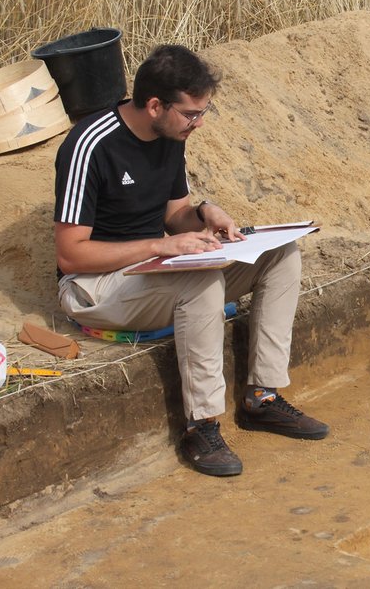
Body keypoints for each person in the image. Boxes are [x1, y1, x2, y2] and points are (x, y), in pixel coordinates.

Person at [53, 44, 328, 477]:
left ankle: (263, 398)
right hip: (94, 286)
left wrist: (205, 214)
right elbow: (71, 255)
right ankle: (200, 425)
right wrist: (157, 247)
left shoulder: (169, 136)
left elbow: (174, 215)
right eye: (191, 115)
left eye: (204, 113)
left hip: (151, 272)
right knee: (201, 282)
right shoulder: (90, 145)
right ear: (155, 105)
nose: (198, 125)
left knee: (282, 255)